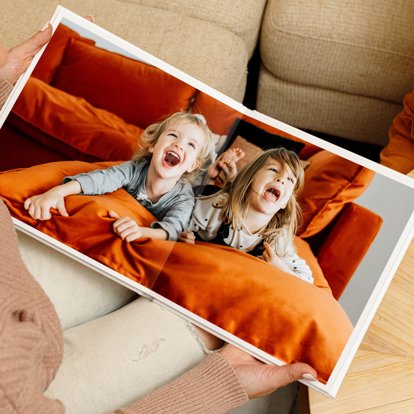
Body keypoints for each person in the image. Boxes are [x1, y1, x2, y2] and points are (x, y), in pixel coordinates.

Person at [0, 28, 317, 413]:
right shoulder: (210, 204)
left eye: (287, 183)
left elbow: (301, 280)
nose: (280, 184)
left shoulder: (276, 237)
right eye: (273, 175)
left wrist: (4, 83)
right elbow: (160, 210)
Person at [23, 111, 215, 241]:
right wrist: (57, 192)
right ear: (153, 145)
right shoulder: (135, 169)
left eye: (191, 145)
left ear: (192, 165)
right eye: (173, 135)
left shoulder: (184, 198)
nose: (179, 145)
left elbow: (173, 228)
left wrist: (141, 232)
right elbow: (101, 179)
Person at [181, 148, 314, 283]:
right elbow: (178, 215)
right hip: (207, 194)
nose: (281, 179)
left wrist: (279, 266)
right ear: (250, 178)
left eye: (290, 179)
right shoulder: (216, 209)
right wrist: (183, 235)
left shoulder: (278, 238)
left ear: (285, 203)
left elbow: (307, 278)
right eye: (273, 170)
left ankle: (230, 179)